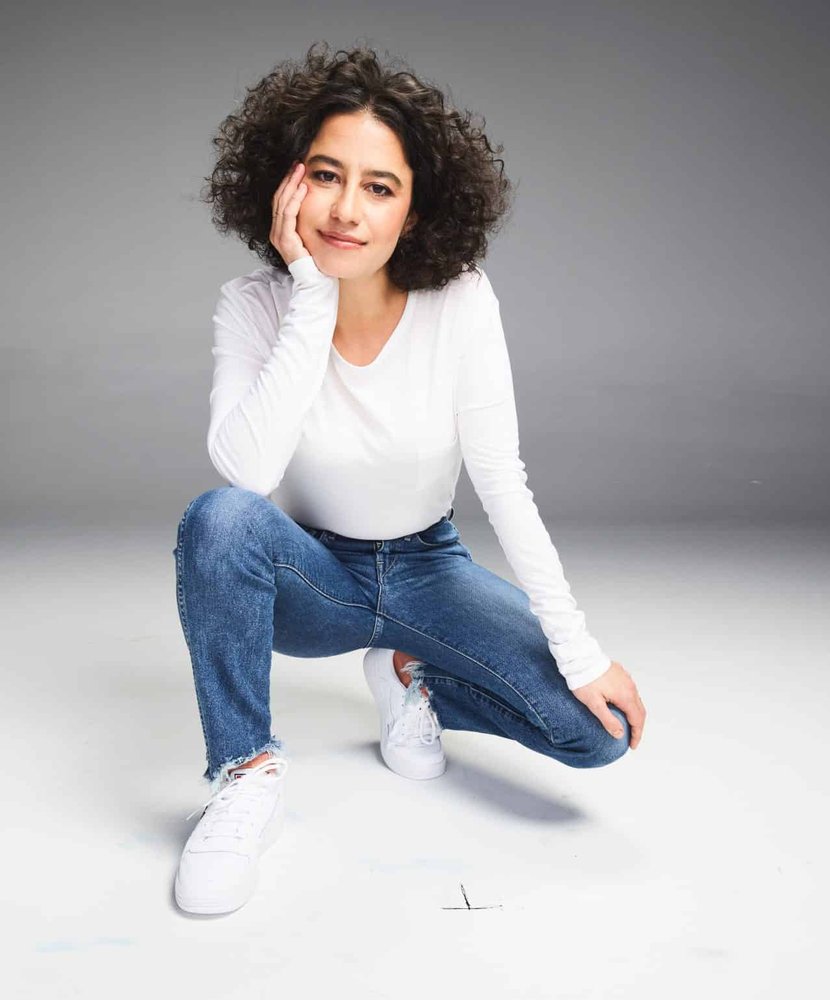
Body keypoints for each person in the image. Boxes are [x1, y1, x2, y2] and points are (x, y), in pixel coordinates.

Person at [172, 42, 647, 915]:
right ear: (286, 184)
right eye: (326, 175)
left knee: (598, 734)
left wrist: (580, 652)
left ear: (416, 209)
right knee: (220, 519)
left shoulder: (460, 299)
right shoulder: (253, 305)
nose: (346, 210)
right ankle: (245, 774)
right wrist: (310, 294)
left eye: (380, 187)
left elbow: (502, 479)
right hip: (313, 581)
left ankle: (409, 677)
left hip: (430, 570)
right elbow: (247, 473)